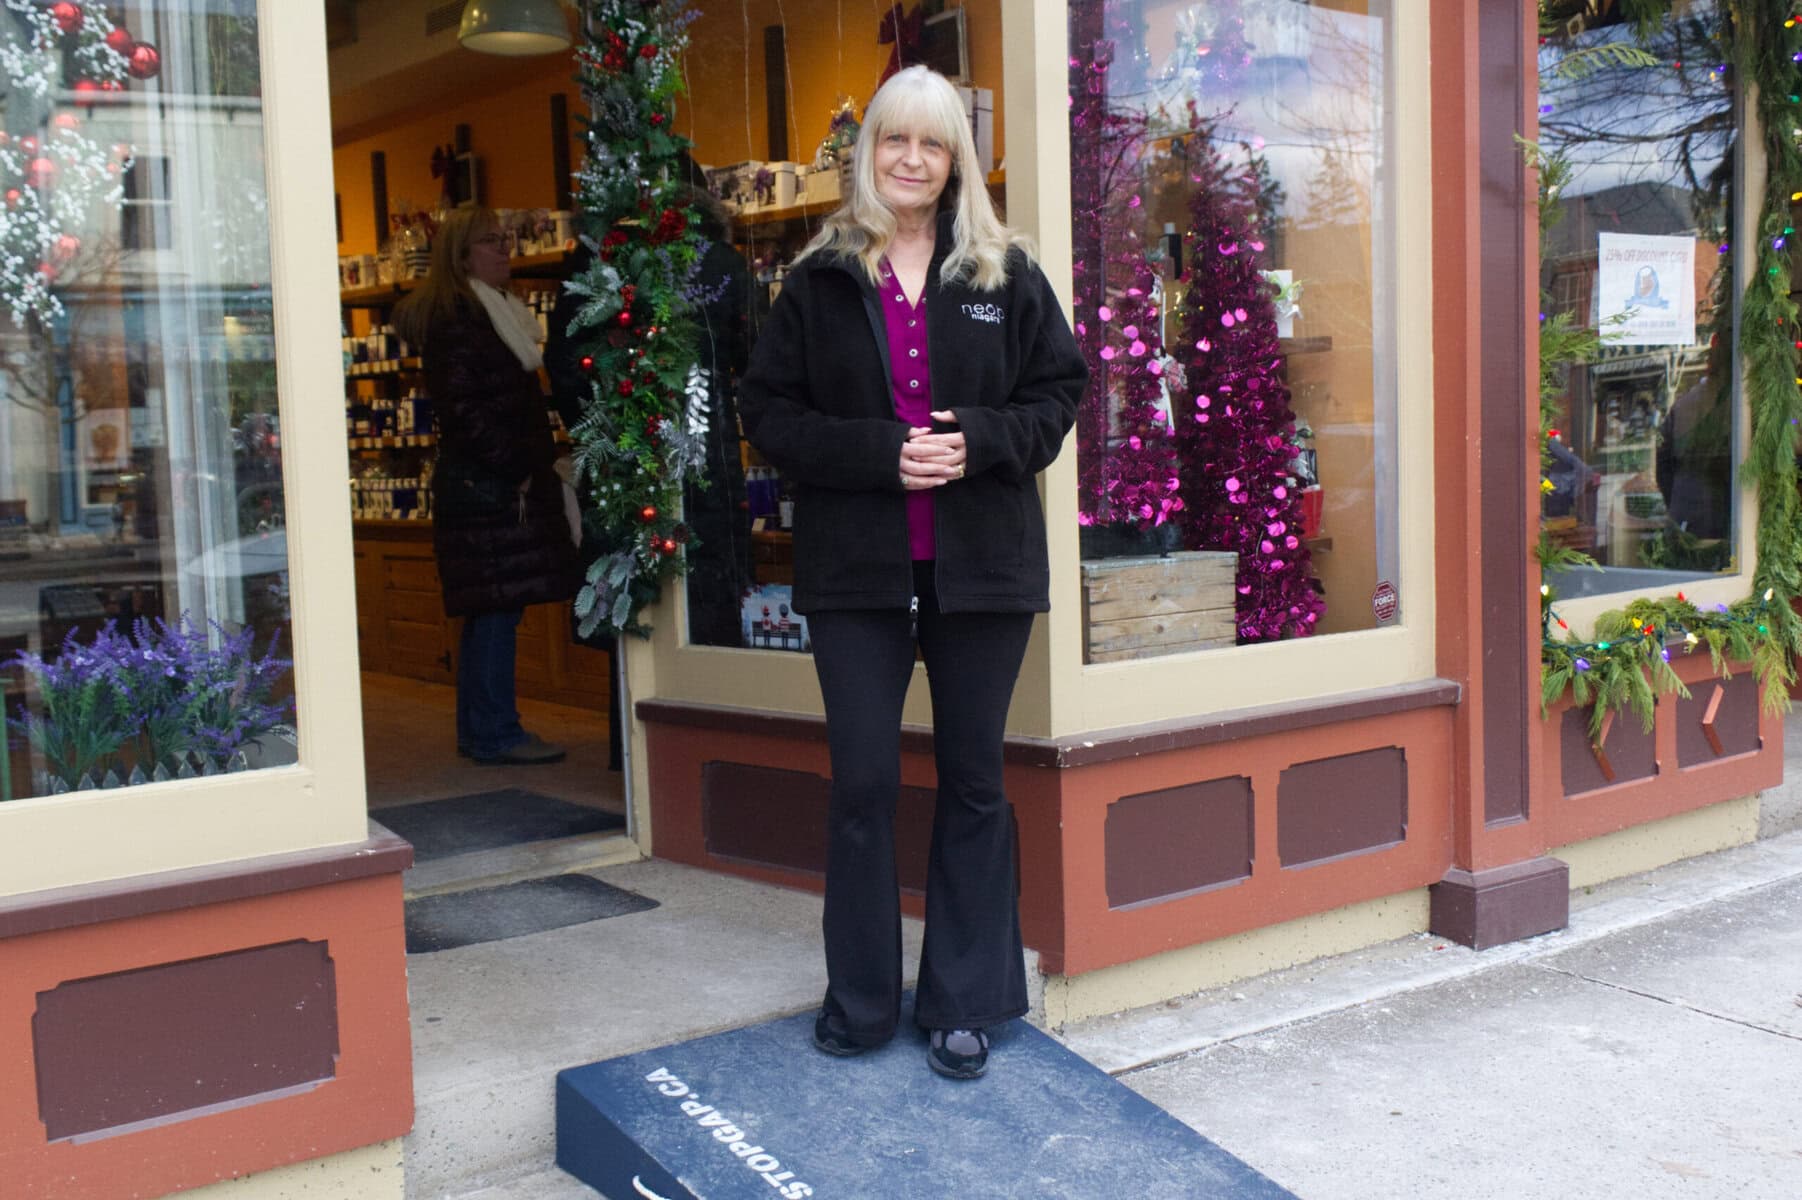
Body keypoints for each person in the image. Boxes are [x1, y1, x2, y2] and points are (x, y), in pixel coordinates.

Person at [738, 65, 1087, 1080]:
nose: (909, 159)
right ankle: (858, 1002)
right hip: (856, 576)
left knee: (974, 780)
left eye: (930, 144)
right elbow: (770, 414)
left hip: (981, 573)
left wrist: (975, 440)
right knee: (863, 781)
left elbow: (1056, 394)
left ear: (953, 162)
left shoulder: (1003, 272)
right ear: (868, 152)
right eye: (893, 139)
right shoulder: (815, 279)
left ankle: (963, 1002)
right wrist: (874, 455)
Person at [394, 207, 581, 766]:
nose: (505, 251)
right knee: (495, 613)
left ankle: (487, 728)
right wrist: (518, 468)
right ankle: (495, 731)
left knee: (494, 613)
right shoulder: (462, 320)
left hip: (493, 488)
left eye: (507, 240)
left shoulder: (494, 312)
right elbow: (466, 411)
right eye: (491, 242)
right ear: (462, 255)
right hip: (490, 492)